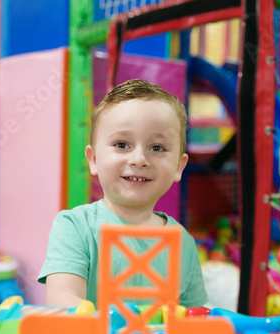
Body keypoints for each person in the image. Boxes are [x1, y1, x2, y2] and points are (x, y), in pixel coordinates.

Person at [38, 79, 208, 309]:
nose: (139, 159)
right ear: (94, 160)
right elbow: (61, 300)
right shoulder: (75, 227)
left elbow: (196, 315)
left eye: (157, 148)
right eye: (121, 144)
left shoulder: (183, 242)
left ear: (179, 166)